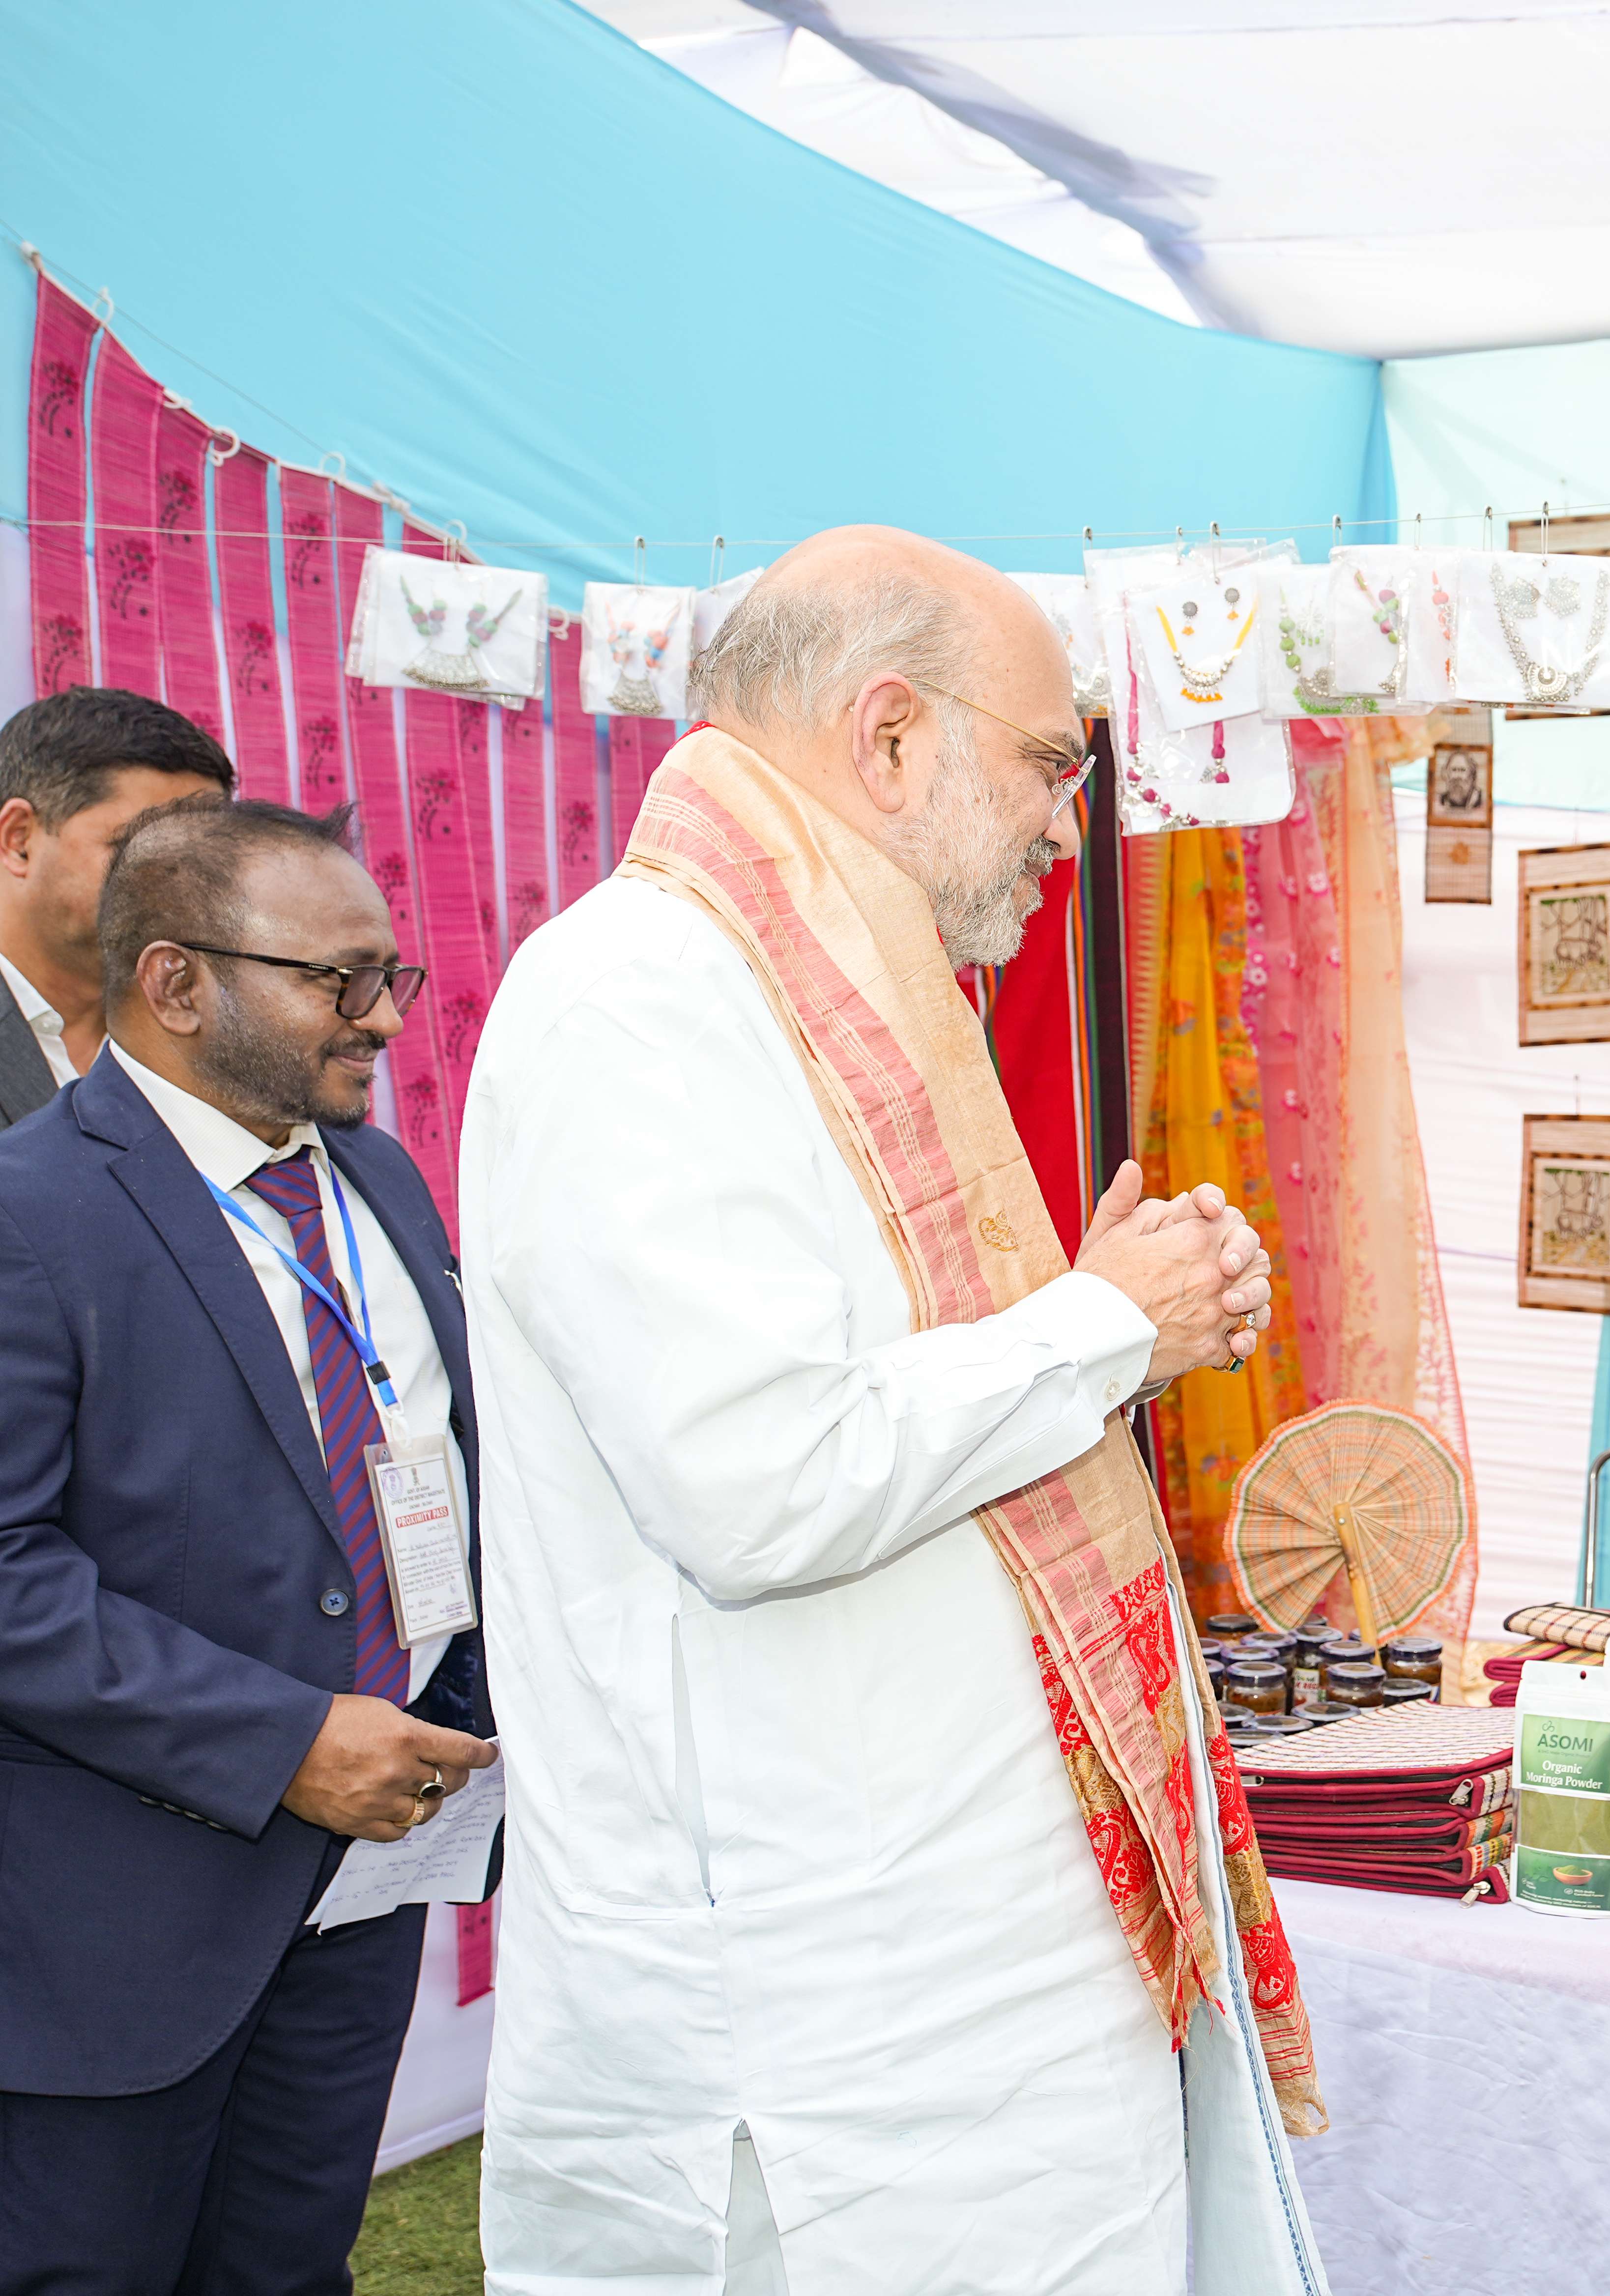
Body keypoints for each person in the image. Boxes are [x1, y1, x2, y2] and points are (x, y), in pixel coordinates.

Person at [460, 527, 1319, 2293]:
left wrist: (1100, 1316)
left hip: (978, 1984)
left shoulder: (834, 1001)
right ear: (893, 735)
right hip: (833, 2047)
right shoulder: (640, 999)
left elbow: (881, 1390)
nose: (1067, 825)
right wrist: (1097, 1326)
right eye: (1046, 761)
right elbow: (758, 1482)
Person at [0, 797, 492, 2290]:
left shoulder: (379, 1180)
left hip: (359, 1895)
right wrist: (282, 1741)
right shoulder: (34, 1213)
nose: (381, 1018)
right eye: (335, 980)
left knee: (287, 2270)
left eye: (390, 977)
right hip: (116, 1934)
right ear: (176, 982)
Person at [0, 687, 235, 1125]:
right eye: (142, 849)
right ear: (19, 841)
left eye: (206, 859)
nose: (185, 883)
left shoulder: (208, 1038)